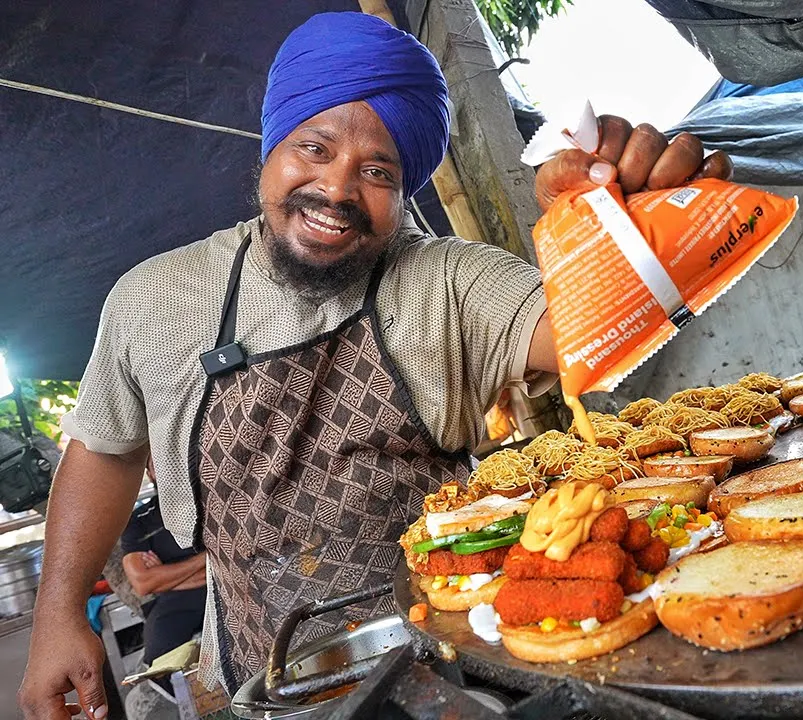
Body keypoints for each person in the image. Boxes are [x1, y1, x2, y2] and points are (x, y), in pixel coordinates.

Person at [19, 11, 729, 720]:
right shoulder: (155, 299)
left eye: (378, 170)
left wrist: (617, 229)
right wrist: (57, 614)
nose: (336, 189)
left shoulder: (447, 281)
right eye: (314, 148)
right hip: (262, 678)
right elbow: (104, 450)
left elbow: (589, 332)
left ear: (406, 186)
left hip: (455, 665)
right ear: (270, 147)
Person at [120, 459, 207, 680]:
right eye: (156, 462)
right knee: (160, 660)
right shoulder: (138, 522)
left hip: (227, 588)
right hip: (175, 604)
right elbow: (143, 583)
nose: (166, 465)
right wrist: (207, 557)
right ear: (149, 473)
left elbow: (233, 558)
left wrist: (166, 577)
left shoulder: (209, 501)